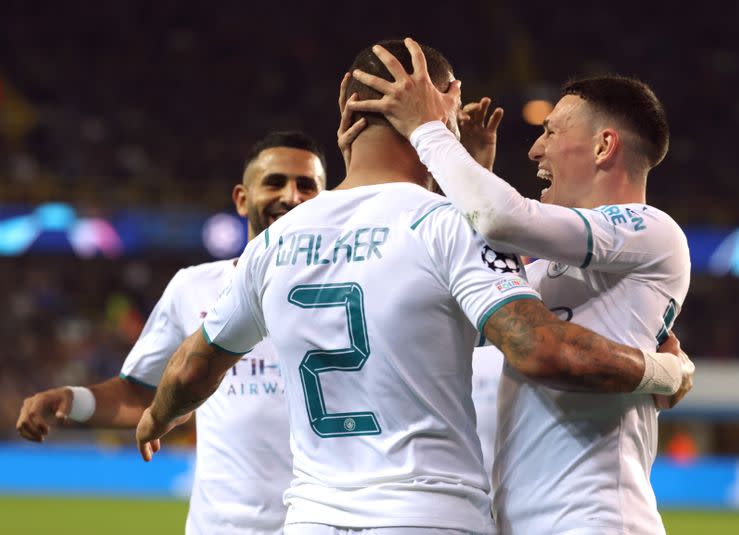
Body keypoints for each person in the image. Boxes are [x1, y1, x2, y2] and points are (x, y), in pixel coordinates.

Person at [135, 40, 692, 535]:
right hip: (427, 513)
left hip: (311, 515)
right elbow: (536, 345)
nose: (534, 148)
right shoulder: (450, 227)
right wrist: (659, 369)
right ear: (437, 103)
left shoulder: (273, 243)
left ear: (345, 112)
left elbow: (189, 369)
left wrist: (157, 415)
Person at [347, 38, 692, 534]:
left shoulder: (651, 229)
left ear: (603, 146)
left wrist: (426, 128)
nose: (535, 148)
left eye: (550, 131)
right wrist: (471, 171)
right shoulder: (542, 271)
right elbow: (467, 274)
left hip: (597, 521)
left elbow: (500, 216)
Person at [16, 130, 327, 534]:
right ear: (241, 198)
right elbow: (143, 392)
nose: (292, 195)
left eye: (307, 185)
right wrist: (69, 399)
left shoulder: (352, 291)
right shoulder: (193, 287)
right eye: (275, 182)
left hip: (322, 524)